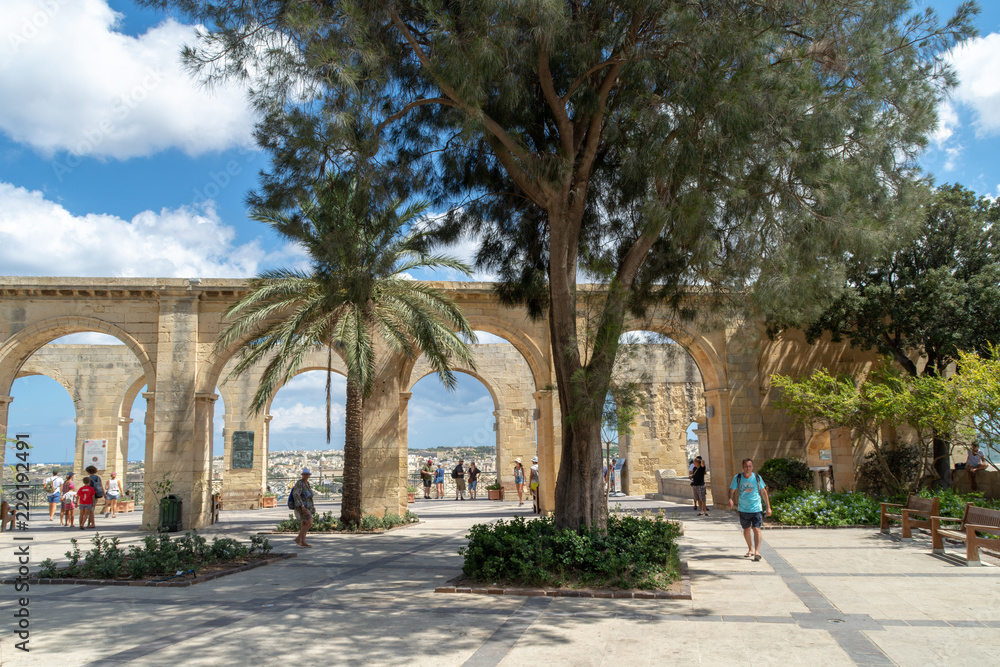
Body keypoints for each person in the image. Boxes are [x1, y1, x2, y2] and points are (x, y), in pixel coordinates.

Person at [728, 458, 771, 561]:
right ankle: (750, 549)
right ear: (743, 467)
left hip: (756, 508)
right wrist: (730, 499)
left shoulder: (757, 477)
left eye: (750, 466)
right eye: (746, 466)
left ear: (752, 467)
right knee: (746, 529)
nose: (748, 468)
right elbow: (731, 490)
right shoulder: (738, 477)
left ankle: (757, 552)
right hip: (743, 508)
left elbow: (764, 492)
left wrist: (768, 507)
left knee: (756, 529)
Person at [291, 468, 314, 548]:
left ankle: (303, 542)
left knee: (304, 523)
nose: (306, 475)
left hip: (308, 507)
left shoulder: (307, 483)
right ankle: (298, 539)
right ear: (302, 475)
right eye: (305, 474)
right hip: (302, 507)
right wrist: (302, 506)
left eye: (308, 474)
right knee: (309, 522)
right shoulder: (299, 483)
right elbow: (296, 494)